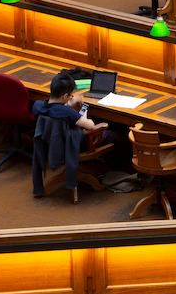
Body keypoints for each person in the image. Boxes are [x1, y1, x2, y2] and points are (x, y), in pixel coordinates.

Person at [31, 71, 115, 199]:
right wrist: (83, 114)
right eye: (70, 96)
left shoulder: (38, 106)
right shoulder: (68, 113)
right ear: (65, 96)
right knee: (114, 135)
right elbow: (90, 126)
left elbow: (55, 108)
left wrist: (70, 103)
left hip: (52, 142)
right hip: (72, 144)